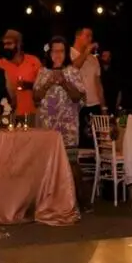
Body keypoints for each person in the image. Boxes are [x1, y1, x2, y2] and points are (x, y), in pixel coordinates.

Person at [35, 36, 89, 207]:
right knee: (47, 163)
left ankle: (81, 201)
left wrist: (64, 82)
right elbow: (35, 97)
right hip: (47, 125)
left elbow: (78, 97)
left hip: (67, 125)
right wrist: (48, 83)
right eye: (54, 51)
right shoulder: (43, 72)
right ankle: (50, 200)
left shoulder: (73, 71)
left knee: (71, 163)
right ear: (49, 53)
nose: (57, 55)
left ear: (66, 53)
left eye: (61, 51)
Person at [0, 29, 42, 122]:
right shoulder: (0, 64)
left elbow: (43, 86)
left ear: (18, 44)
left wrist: (29, 85)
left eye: (9, 43)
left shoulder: (33, 61)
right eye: (4, 44)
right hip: (8, 116)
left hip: (31, 114)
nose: (5, 47)